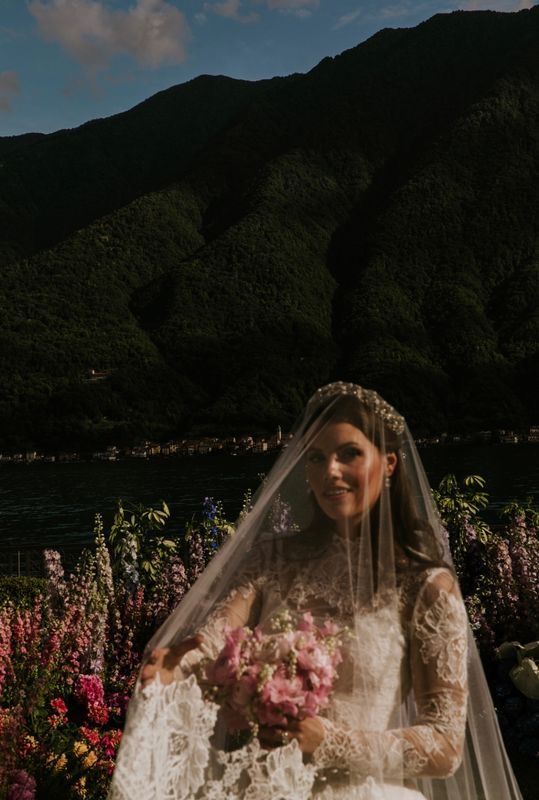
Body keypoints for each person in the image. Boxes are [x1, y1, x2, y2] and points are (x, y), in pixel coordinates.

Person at [109, 382, 523, 800]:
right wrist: (173, 668)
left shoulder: (426, 588)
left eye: (349, 454)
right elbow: (217, 639)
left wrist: (328, 741)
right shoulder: (271, 560)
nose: (331, 472)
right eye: (317, 457)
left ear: (390, 462)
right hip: (262, 788)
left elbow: (445, 747)